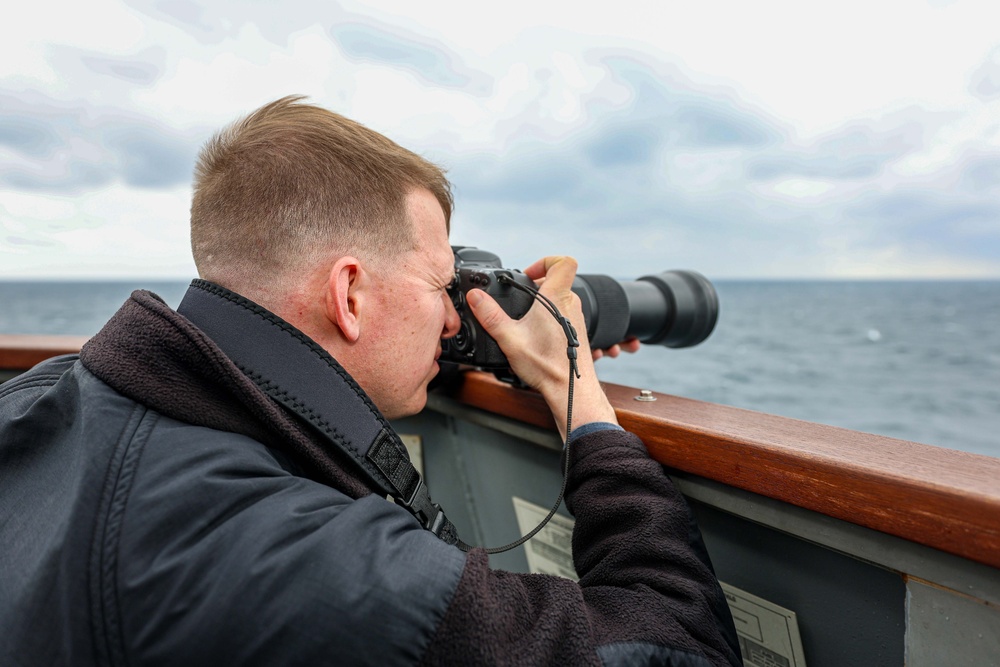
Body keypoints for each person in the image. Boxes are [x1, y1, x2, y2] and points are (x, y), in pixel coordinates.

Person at [0, 96, 741, 666]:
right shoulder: (315, 564)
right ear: (349, 295)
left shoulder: (39, 398)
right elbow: (678, 644)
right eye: (439, 286)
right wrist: (570, 381)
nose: (452, 322)